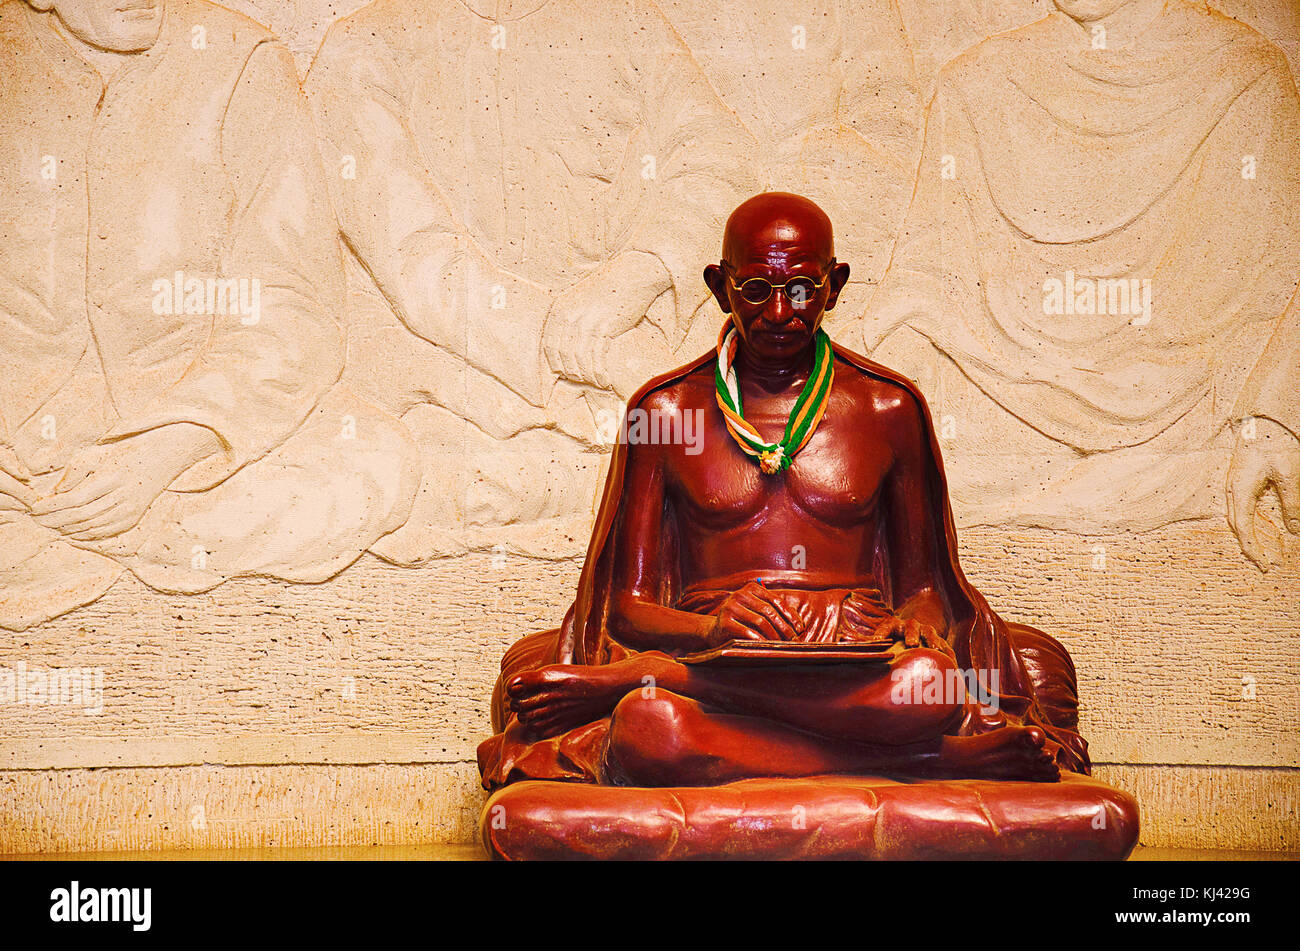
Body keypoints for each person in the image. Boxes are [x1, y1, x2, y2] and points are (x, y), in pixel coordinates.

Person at [479, 193, 1088, 790]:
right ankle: (939, 763)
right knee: (646, 728)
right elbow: (626, 606)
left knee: (929, 683)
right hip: (712, 649)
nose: (778, 312)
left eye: (800, 289)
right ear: (720, 286)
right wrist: (711, 630)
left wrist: (910, 623)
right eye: (754, 290)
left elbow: (926, 589)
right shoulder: (663, 411)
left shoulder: (888, 407)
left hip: (851, 661)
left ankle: (652, 680)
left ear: (834, 285)